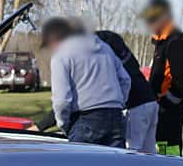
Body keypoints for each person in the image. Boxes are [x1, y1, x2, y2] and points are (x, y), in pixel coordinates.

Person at [42, 16, 127, 148]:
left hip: (85, 118)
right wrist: (119, 103)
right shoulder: (106, 49)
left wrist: (64, 124)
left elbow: (62, 100)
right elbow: (125, 80)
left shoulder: (61, 55)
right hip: (115, 116)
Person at [142, 0, 183, 156]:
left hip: (170, 106)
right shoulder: (161, 41)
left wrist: (167, 103)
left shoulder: (175, 40)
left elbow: (181, 78)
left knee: (169, 145)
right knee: (159, 144)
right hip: (160, 104)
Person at [96, 28, 158, 152]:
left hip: (136, 106)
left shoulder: (114, 63)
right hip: (151, 101)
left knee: (132, 150)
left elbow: (124, 83)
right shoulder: (129, 59)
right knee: (149, 150)